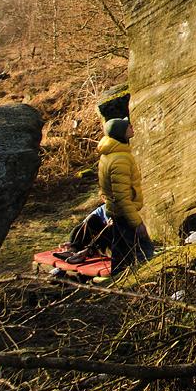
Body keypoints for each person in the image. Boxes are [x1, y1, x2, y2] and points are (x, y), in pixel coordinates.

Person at [60, 114, 154, 276]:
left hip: (115, 210)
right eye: (128, 127)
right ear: (121, 133)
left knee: (121, 251)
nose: (132, 128)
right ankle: (138, 283)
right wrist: (137, 222)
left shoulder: (109, 154)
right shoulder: (120, 159)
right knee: (144, 249)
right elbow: (122, 196)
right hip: (123, 211)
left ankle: (119, 278)